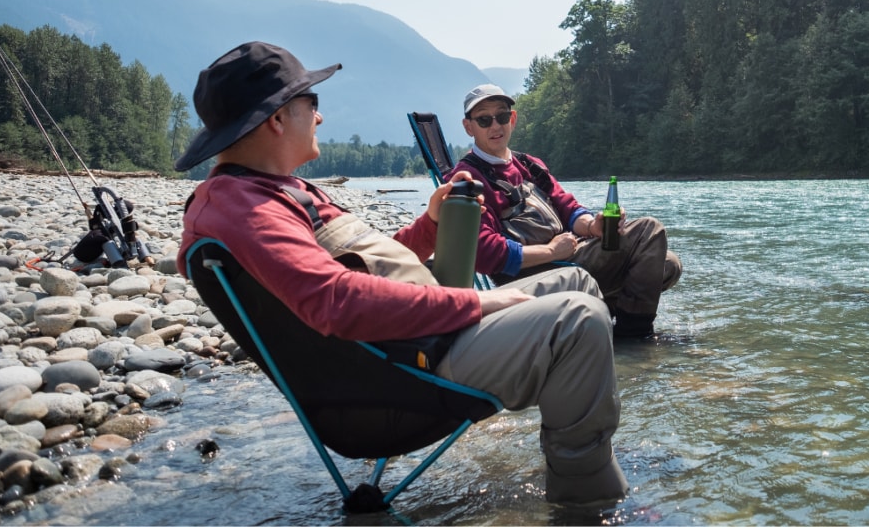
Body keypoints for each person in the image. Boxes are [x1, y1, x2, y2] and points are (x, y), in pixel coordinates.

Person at [174, 42, 627, 506]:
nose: (320, 117)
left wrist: (430, 226)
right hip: (397, 384)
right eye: (313, 104)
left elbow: (367, 265)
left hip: (413, 346)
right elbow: (337, 300)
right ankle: (588, 503)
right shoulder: (242, 207)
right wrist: (477, 301)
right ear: (276, 119)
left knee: (579, 282)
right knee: (578, 319)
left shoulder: (271, 191)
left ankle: (575, 455)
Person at [449, 84, 682, 339]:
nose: (495, 126)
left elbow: (568, 208)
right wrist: (550, 251)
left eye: (502, 116)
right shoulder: (466, 179)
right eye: (484, 119)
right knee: (649, 230)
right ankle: (633, 337)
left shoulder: (529, 164)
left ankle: (603, 320)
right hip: (532, 275)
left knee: (668, 264)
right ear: (468, 127)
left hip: (567, 256)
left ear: (512, 120)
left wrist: (594, 226)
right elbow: (482, 253)